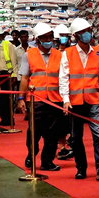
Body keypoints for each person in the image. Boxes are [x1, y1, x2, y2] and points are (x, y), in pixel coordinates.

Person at [60, 18, 99, 181]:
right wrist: (65, 99)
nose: (87, 34)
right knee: (75, 138)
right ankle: (81, 168)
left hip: (94, 100)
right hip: (74, 101)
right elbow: (64, 78)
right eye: (82, 32)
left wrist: (98, 93)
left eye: (88, 31)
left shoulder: (98, 54)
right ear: (76, 36)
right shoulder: (68, 54)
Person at [17, 23, 64, 172]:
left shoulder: (59, 55)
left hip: (55, 99)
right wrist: (20, 99)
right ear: (37, 40)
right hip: (35, 100)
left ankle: (47, 161)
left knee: (53, 133)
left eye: (50, 37)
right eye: (45, 38)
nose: (48, 40)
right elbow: (24, 78)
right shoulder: (29, 55)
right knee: (34, 131)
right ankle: (31, 154)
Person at [0, 26, 20, 127]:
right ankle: (4, 118)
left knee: (7, 100)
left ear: (2, 36)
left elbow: (14, 61)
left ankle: (9, 119)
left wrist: (15, 75)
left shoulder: (8, 45)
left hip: (7, 75)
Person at [53, 24, 74, 160]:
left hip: (69, 91)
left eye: (66, 36)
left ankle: (66, 146)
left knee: (67, 122)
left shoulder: (72, 52)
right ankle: (59, 147)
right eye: (62, 36)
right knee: (57, 122)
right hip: (55, 92)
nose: (64, 39)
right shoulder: (54, 53)